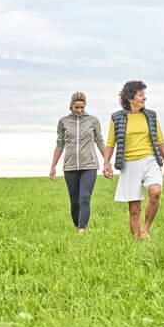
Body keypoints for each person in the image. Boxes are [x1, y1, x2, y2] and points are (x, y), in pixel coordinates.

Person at [103, 80, 164, 239]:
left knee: (155, 192)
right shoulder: (117, 118)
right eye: (141, 95)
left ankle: (145, 229)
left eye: (144, 95)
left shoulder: (151, 116)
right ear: (130, 98)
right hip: (129, 164)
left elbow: (160, 140)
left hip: (150, 160)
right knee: (134, 208)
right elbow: (110, 143)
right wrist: (106, 163)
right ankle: (137, 241)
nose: (144, 98)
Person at [50, 91, 105, 234]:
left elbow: (99, 141)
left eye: (82, 107)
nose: (79, 110)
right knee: (74, 202)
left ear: (85, 106)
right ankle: (77, 225)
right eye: (76, 108)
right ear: (71, 106)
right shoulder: (63, 122)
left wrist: (107, 162)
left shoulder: (93, 120)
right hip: (70, 167)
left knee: (85, 198)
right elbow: (60, 144)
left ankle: (82, 230)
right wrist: (53, 166)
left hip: (90, 166)